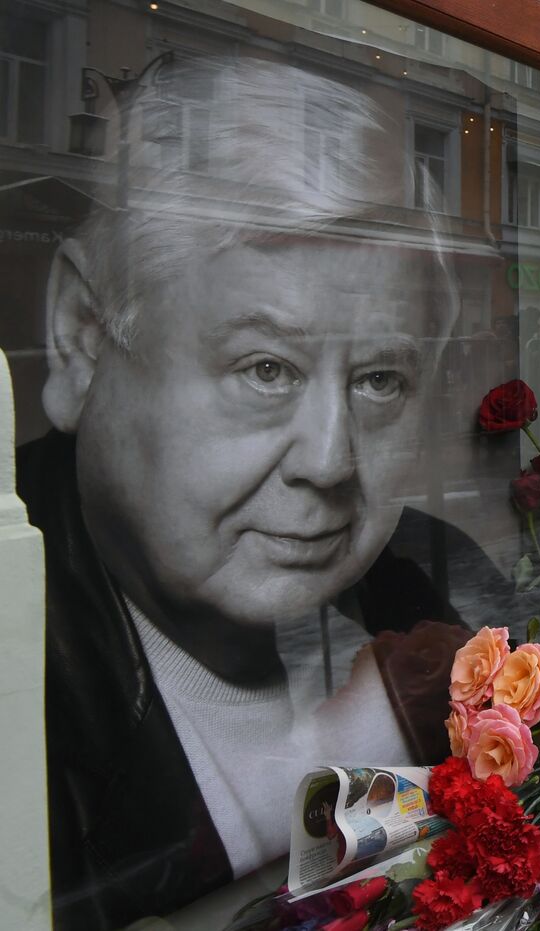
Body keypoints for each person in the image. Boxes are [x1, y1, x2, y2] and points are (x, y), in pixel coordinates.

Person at [22, 56, 511, 929]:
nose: (328, 462)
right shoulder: (12, 658)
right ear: (82, 341)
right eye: (266, 368)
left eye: (379, 380)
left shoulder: (440, 589)